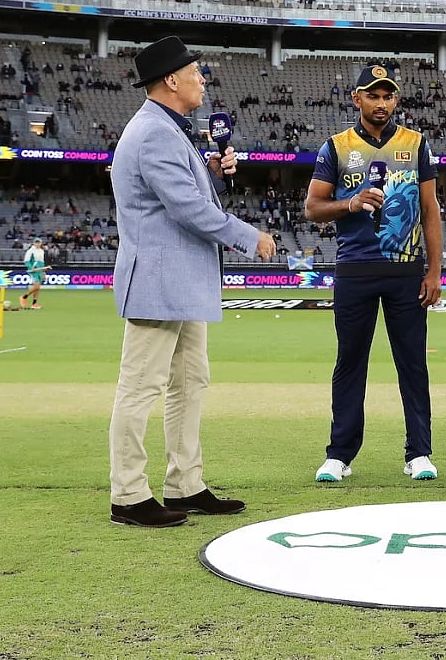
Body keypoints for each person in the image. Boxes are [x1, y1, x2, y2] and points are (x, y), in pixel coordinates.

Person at [108, 35, 277, 528]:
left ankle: (185, 483)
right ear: (171, 80)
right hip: (159, 282)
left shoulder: (167, 129)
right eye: (196, 72)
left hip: (177, 282)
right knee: (141, 386)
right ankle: (128, 495)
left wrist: (211, 171)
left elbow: (177, 195)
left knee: (188, 382)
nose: (203, 80)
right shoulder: (155, 132)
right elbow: (186, 209)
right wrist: (251, 237)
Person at [305, 64, 443, 484]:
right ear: (357, 99)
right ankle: (339, 455)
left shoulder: (415, 144)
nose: (381, 104)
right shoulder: (336, 147)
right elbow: (312, 208)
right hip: (355, 269)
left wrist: (434, 271)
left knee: (412, 364)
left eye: (388, 97)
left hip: (405, 269)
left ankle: (419, 453)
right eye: (373, 95)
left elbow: (430, 210)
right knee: (350, 362)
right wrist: (351, 203)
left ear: (395, 101)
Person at [21, 237, 46, 309]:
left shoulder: (41, 251)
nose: (38, 244)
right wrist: (31, 268)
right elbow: (26, 261)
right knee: (37, 286)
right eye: (36, 242)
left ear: (41, 243)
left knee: (37, 288)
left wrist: (43, 272)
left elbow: (42, 262)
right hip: (33, 270)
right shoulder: (30, 251)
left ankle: (34, 304)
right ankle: (24, 297)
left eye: (39, 242)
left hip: (39, 270)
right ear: (34, 243)